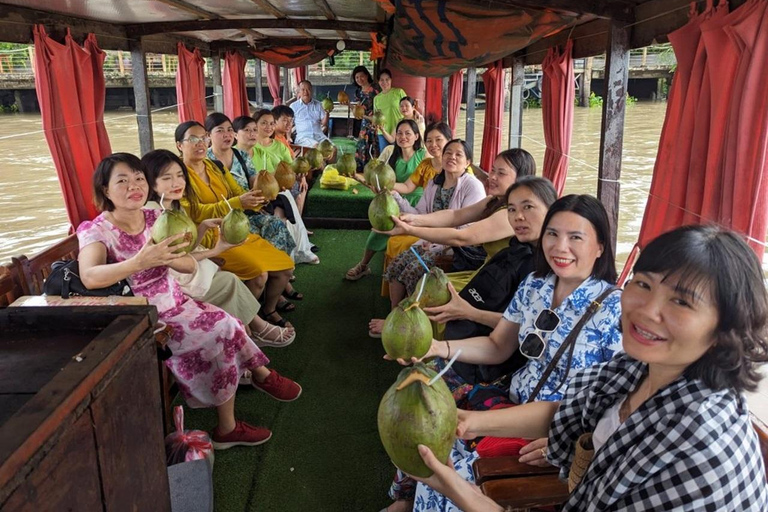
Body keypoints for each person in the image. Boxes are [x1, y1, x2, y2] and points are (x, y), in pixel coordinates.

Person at [412, 224, 768, 511]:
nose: (645, 310)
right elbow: (567, 409)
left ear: (727, 328)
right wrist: (468, 421)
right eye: (643, 285)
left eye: (680, 301)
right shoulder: (635, 370)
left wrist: (466, 495)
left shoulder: (697, 444)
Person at [388, 194, 623, 512]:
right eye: (552, 234)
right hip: (510, 400)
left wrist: (573, 440)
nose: (559, 247)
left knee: (458, 473)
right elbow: (499, 346)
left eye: (575, 237)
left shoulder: (616, 309)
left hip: (554, 430)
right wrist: (436, 347)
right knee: (424, 427)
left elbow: (619, 402)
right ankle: (407, 499)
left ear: (600, 247)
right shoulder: (535, 285)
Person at [77, 153, 302, 449]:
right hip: (144, 316)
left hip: (178, 302)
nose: (134, 185)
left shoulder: (156, 218)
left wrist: (215, 249)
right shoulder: (96, 230)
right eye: (122, 180)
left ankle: (248, 394)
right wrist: (138, 262)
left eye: (139, 179)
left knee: (229, 323)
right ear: (105, 190)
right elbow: (90, 276)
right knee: (221, 331)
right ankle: (244, 402)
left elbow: (182, 262)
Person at [142, 149, 295, 348]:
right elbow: (176, 262)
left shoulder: (175, 207)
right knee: (231, 279)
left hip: (189, 268)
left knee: (230, 278)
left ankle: (251, 331)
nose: (177, 183)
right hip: (174, 281)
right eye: (167, 178)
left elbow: (184, 249)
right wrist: (213, 252)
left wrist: (203, 227)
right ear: (150, 182)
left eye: (180, 175)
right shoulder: (153, 215)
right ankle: (256, 329)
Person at [174, 121, 296, 328]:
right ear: (179, 145)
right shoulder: (179, 175)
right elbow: (195, 212)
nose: (200, 143)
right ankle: (241, 324)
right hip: (211, 239)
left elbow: (235, 192)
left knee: (285, 266)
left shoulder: (214, 166)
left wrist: (257, 197)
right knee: (259, 275)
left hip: (237, 230)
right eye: (192, 139)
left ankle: (269, 308)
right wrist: (237, 203)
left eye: (203, 137)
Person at [375, 149, 537, 292]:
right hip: (487, 270)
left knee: (429, 290)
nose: (492, 177)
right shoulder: (494, 200)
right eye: (492, 170)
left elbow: (463, 236)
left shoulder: (511, 214)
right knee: (423, 286)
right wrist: (412, 219)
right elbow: (454, 216)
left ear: (520, 179)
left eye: (501, 173)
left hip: (500, 280)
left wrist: (409, 229)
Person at [379, 140, 486, 311]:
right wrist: (396, 197)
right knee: (396, 266)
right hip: (427, 240)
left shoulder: (473, 186)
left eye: (458, 154)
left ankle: (409, 317)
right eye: (448, 153)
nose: (452, 157)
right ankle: (394, 313)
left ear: (467, 163)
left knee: (412, 271)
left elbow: (465, 228)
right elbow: (420, 214)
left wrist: (437, 244)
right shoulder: (435, 183)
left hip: (455, 247)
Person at [345, 119, 427, 281]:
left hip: (417, 204)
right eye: (399, 133)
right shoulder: (392, 156)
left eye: (408, 133)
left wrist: (387, 187)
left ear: (417, 136)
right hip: (392, 200)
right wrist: (356, 177)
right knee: (377, 231)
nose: (403, 137)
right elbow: (376, 184)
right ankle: (363, 265)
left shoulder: (423, 156)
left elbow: (400, 185)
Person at [271, 105, 310, 215]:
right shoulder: (274, 140)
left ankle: (299, 224)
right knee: (300, 188)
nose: (289, 124)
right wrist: (301, 178)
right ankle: (297, 225)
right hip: (281, 179)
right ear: (274, 121)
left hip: (290, 173)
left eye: (291, 120)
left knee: (303, 185)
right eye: (285, 120)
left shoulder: (282, 137)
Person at [352, 65, 379, 171]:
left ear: (367, 76)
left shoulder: (376, 89)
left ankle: (374, 168)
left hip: (375, 121)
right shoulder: (358, 92)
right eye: (357, 77)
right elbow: (357, 111)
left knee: (374, 144)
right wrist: (349, 105)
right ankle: (362, 167)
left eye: (361, 76)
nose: (359, 79)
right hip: (364, 122)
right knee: (363, 144)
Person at [373, 69, 406, 151]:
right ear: (378, 82)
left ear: (391, 80)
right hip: (383, 133)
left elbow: (409, 107)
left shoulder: (399, 92)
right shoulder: (377, 98)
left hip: (400, 130)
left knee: (399, 158)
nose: (384, 82)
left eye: (387, 79)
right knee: (385, 159)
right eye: (381, 80)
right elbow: (376, 116)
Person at [290, 80, 330, 148]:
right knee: (317, 147)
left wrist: (327, 113)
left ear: (312, 90)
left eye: (308, 89)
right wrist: (288, 137)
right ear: (299, 92)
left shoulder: (319, 105)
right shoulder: (293, 106)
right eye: (303, 89)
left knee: (333, 148)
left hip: (319, 136)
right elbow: (289, 124)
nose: (306, 92)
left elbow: (324, 124)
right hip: (303, 137)